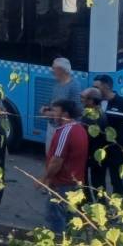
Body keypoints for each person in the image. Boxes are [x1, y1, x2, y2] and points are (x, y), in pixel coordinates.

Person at [42, 99, 88, 235]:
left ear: (65, 114)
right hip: (75, 183)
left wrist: (44, 178)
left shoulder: (65, 132)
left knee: (55, 218)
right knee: (70, 218)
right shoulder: (79, 128)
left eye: (55, 111)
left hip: (62, 184)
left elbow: (57, 160)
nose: (52, 114)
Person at [93, 74, 123, 196]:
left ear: (107, 86)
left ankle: (117, 209)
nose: (94, 90)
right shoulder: (94, 103)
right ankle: (100, 206)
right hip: (98, 151)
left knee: (116, 181)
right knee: (97, 182)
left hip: (117, 153)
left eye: (97, 87)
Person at [40, 58, 81, 150]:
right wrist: (46, 108)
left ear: (61, 70)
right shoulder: (57, 84)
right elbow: (53, 103)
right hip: (52, 126)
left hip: (63, 129)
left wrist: (50, 114)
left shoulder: (74, 86)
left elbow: (75, 112)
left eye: (54, 68)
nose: (52, 71)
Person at [80, 87, 110, 199]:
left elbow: (86, 137)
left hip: (92, 156)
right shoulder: (97, 112)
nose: (81, 100)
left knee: (95, 184)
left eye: (83, 98)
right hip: (95, 156)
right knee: (97, 184)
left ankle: (94, 208)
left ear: (91, 101)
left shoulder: (94, 117)